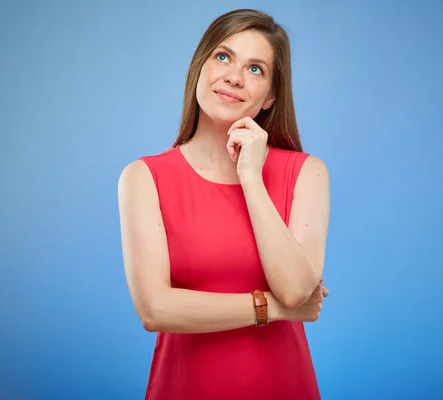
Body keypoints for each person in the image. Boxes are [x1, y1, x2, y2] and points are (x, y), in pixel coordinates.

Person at [117, 8, 330, 400]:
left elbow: (298, 289)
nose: (234, 76)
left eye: (255, 69)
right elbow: (154, 309)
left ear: (271, 98)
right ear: (200, 66)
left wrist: (251, 178)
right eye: (223, 56)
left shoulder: (306, 173)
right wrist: (275, 310)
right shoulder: (144, 177)